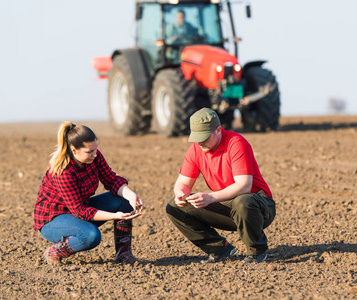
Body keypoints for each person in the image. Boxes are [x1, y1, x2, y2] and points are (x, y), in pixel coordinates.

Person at [166, 108, 276, 263]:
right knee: (174, 206)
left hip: (258, 206)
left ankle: (256, 251)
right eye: (196, 138)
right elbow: (183, 182)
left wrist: (210, 197)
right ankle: (219, 249)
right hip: (225, 204)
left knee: (243, 201)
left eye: (203, 137)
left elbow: (244, 186)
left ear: (218, 130)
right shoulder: (196, 149)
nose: (199, 142)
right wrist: (180, 194)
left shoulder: (236, 143)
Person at [33, 122, 147, 265]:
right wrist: (115, 216)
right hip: (53, 219)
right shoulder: (63, 171)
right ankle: (54, 251)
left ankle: (123, 255)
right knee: (91, 235)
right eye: (89, 152)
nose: (95, 154)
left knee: (123, 201)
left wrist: (131, 196)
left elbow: (111, 179)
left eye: (95, 149)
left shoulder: (94, 157)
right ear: (74, 150)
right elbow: (80, 211)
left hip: (78, 210)